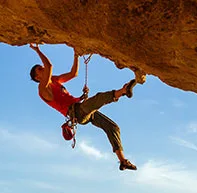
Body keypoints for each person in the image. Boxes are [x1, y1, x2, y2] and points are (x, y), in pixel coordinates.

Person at [29, 43, 139, 171]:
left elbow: (73, 73)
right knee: (98, 99)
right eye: (40, 69)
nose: (44, 68)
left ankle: (123, 161)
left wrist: (76, 54)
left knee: (113, 127)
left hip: (80, 108)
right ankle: (123, 90)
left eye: (42, 68)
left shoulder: (54, 80)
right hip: (76, 112)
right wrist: (37, 50)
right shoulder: (42, 89)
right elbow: (49, 66)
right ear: (37, 77)